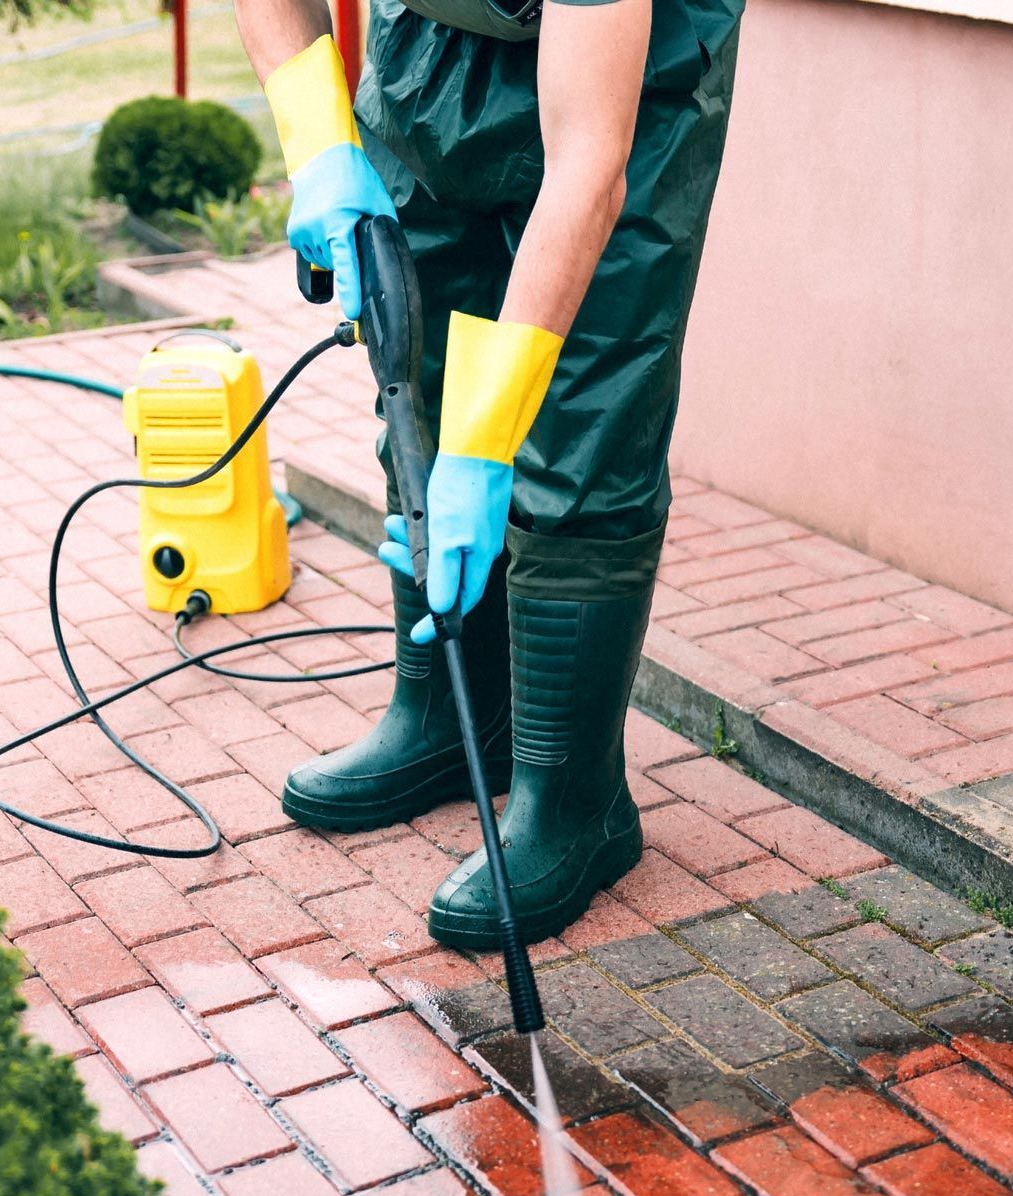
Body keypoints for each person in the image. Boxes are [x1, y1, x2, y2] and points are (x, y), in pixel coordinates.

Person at [239, 0, 741, 949]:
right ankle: (441, 713)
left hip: (633, 66)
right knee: (418, 356)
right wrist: (315, 142)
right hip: (433, 38)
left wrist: (486, 447)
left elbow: (590, 165)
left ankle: (573, 797)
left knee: (587, 408)